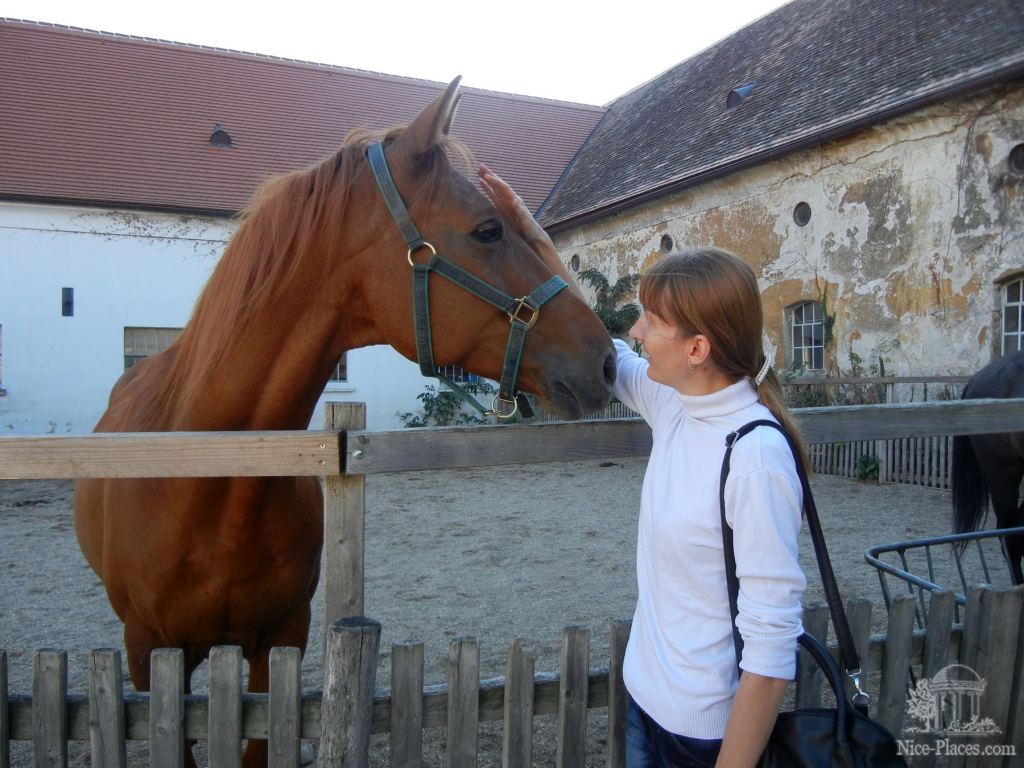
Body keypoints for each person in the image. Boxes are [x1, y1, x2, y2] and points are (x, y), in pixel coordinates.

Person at [479, 165, 807, 768]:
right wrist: (527, 228)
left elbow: (771, 647)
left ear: (696, 349)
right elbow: (601, 350)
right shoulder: (676, 403)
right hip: (643, 702)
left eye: (651, 321)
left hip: (703, 736)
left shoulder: (755, 456)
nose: (635, 330)